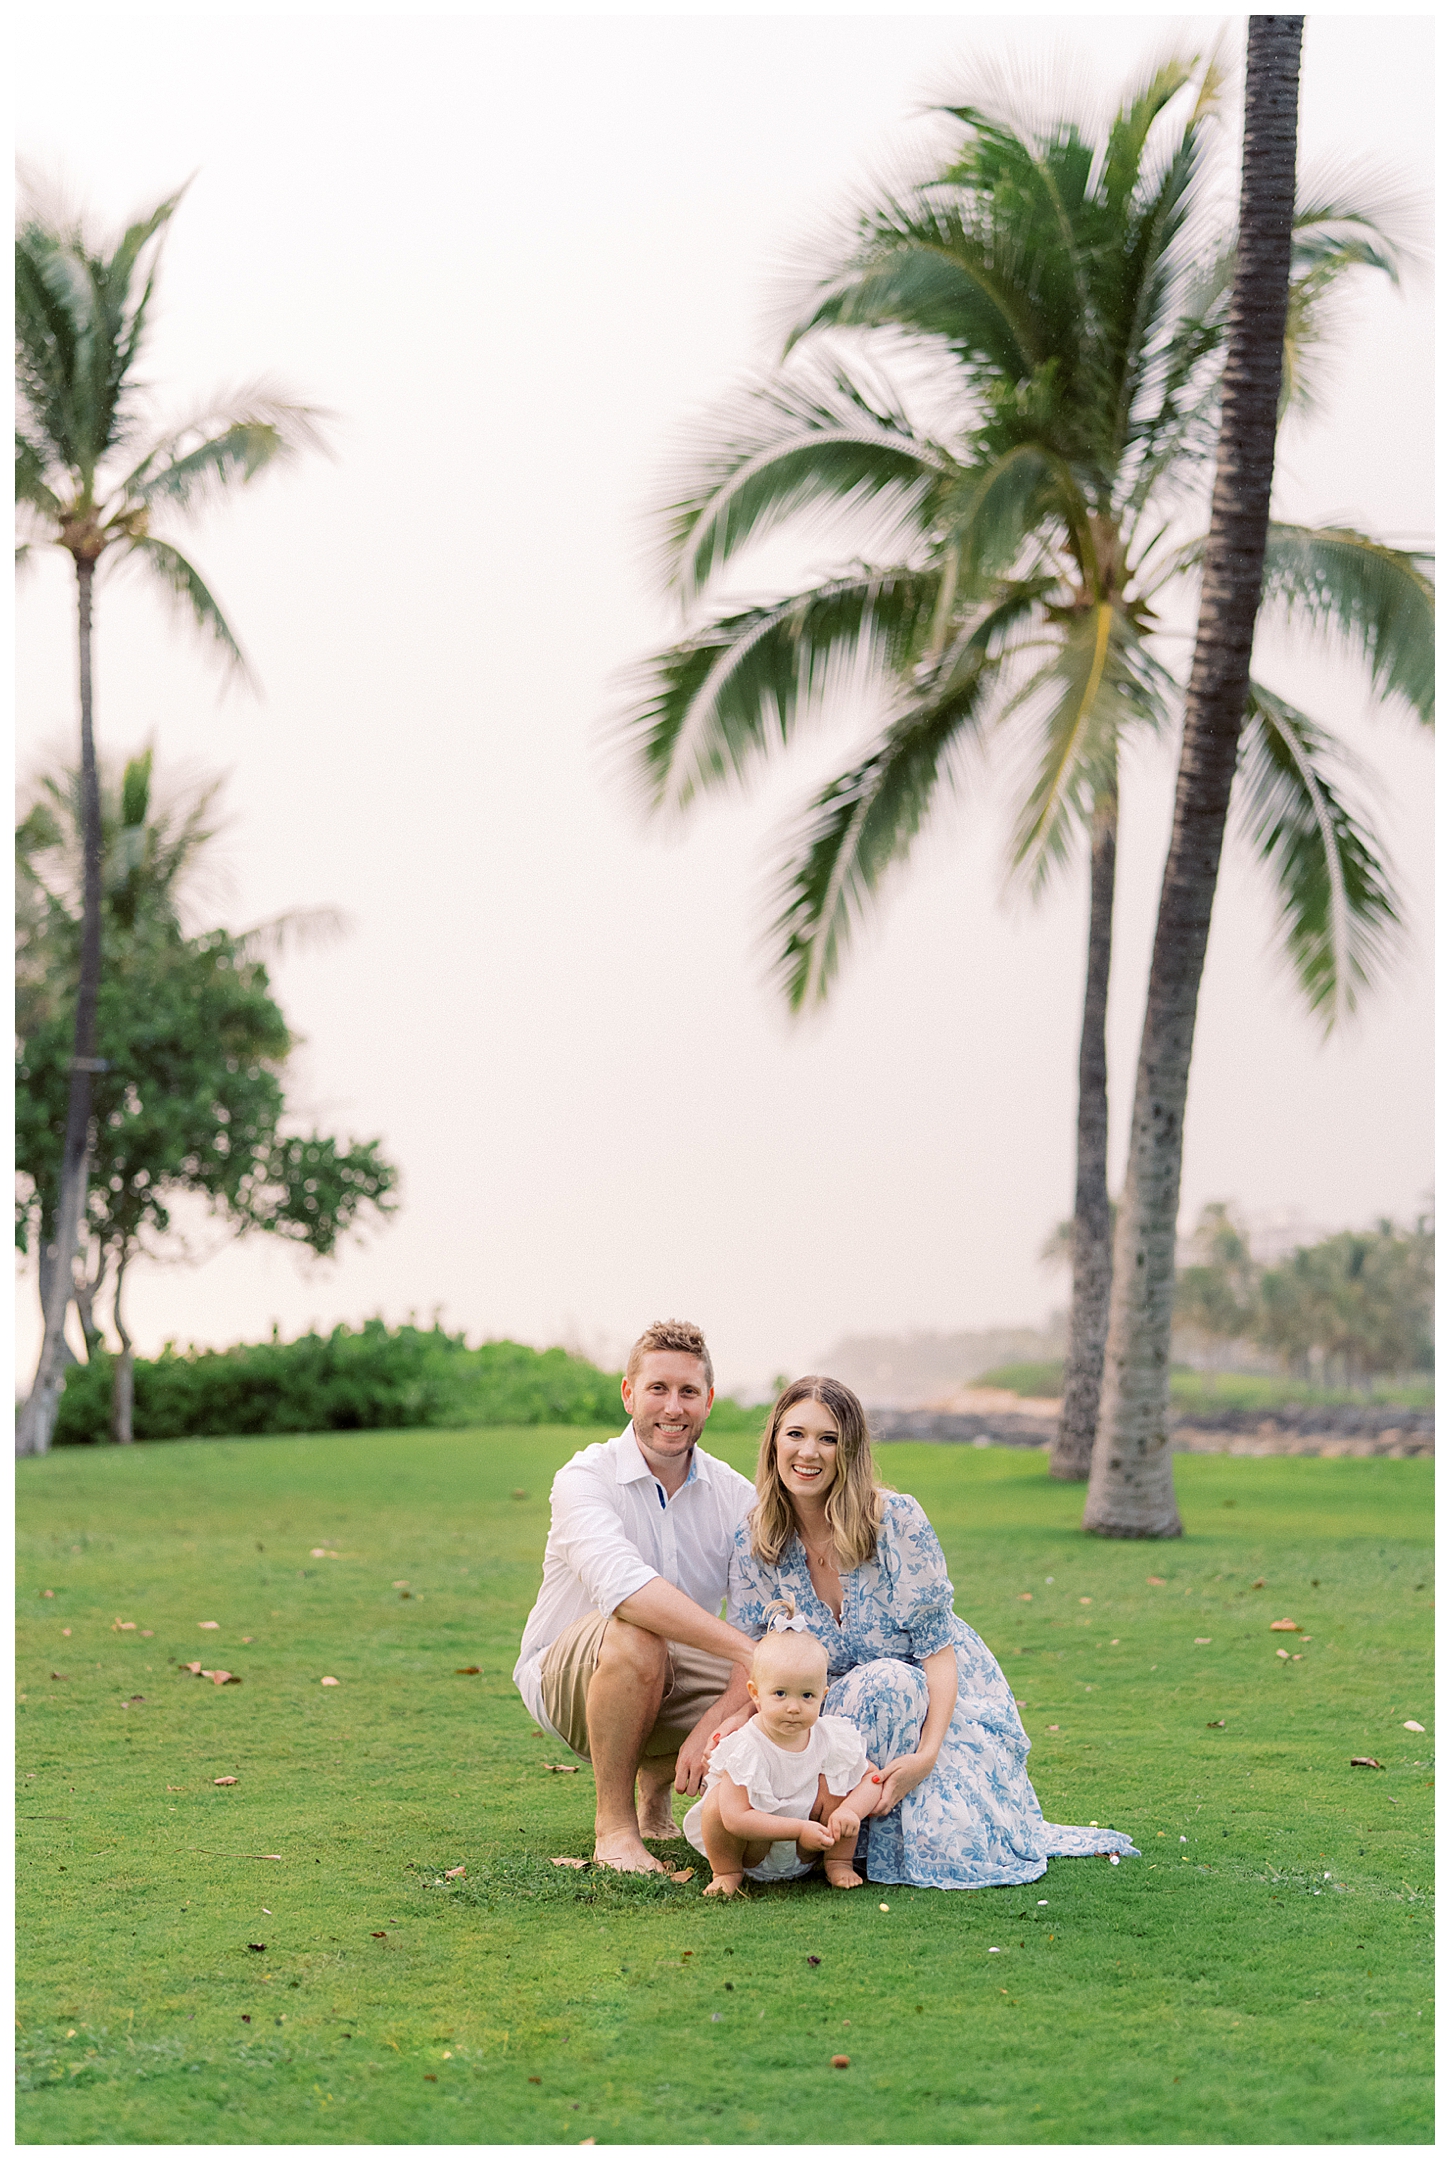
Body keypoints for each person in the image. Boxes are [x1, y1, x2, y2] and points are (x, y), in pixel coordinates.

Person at [721, 1376, 1140, 1889]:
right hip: (817, 1710)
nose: (809, 1452)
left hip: (929, 1704)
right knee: (744, 1783)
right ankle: (834, 1837)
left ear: (849, 1449)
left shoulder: (895, 1521)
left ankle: (861, 1840)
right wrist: (721, 1724)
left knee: (952, 1830)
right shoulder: (754, 1538)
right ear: (773, 1443)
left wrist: (926, 1757)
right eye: (795, 1434)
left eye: (828, 1438)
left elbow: (938, 1652)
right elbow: (755, 1658)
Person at [513, 1318, 759, 1873]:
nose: (673, 1407)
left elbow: (756, 1624)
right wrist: (748, 1655)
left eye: (688, 1392)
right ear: (629, 1394)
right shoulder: (583, 1478)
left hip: (669, 1676)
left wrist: (724, 1708)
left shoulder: (737, 1497)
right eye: (658, 1389)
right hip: (567, 1679)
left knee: (784, 1691)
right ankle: (615, 1830)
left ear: (709, 1402)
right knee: (642, 1628)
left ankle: (657, 1790)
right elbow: (624, 1591)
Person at [681, 1601, 882, 1898]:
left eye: (807, 1695)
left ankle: (838, 1862)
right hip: (753, 1851)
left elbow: (872, 1777)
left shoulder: (830, 1736)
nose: (793, 1707)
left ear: (822, 1696)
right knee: (717, 1804)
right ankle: (726, 1872)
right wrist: (798, 1829)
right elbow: (736, 1818)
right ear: (755, 1694)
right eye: (779, 1694)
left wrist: (852, 1811)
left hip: (809, 1850)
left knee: (839, 1783)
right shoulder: (746, 1745)